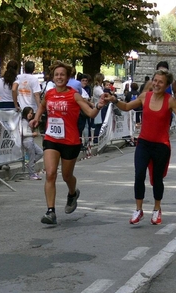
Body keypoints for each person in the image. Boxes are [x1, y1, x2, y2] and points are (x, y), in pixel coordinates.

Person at [105, 69, 176, 225]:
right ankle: (139, 209)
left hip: (161, 146)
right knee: (139, 175)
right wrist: (114, 100)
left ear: (166, 85)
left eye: (161, 82)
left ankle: (157, 209)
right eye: (155, 80)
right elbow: (126, 107)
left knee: (157, 179)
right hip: (144, 143)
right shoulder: (145, 96)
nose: (157, 84)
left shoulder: (170, 100)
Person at [29, 61, 110, 225]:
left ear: (67, 78)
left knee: (67, 176)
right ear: (53, 77)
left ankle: (73, 193)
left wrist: (99, 106)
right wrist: (36, 118)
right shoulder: (50, 93)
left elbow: (91, 114)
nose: (59, 77)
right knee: (50, 173)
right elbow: (42, 106)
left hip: (70, 141)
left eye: (62, 75)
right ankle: (50, 211)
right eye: (56, 75)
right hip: (51, 139)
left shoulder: (74, 95)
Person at [21, 106, 44, 180]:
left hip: (31, 141)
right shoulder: (24, 122)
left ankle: (30, 165)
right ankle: (32, 174)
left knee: (40, 153)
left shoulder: (28, 122)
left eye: (31, 113)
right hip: (27, 142)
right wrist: (32, 134)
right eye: (29, 113)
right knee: (32, 156)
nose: (30, 115)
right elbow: (24, 133)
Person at [92, 73, 105, 143]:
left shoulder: (97, 88)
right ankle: (96, 138)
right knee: (99, 123)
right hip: (99, 106)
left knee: (99, 123)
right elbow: (103, 95)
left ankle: (97, 137)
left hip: (98, 105)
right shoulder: (98, 89)